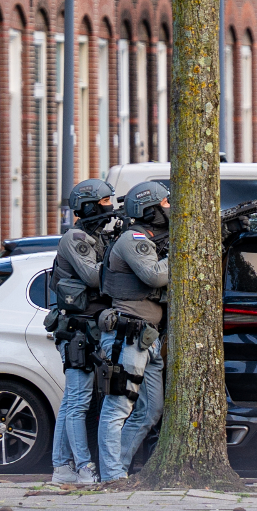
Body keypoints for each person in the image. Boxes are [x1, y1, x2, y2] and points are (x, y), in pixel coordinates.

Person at [95, 181, 171, 482]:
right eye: (164, 204)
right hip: (128, 337)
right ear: (148, 208)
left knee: (151, 410)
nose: (169, 208)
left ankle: (120, 468)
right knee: (118, 407)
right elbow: (153, 275)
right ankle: (112, 476)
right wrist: (188, 250)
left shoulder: (152, 238)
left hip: (148, 339)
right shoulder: (132, 238)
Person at [47, 178, 121, 485]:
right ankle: (82, 466)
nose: (110, 206)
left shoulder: (95, 236)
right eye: (105, 202)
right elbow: (93, 276)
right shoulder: (75, 237)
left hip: (90, 327)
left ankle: (61, 466)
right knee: (78, 402)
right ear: (89, 205)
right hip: (78, 330)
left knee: (71, 402)